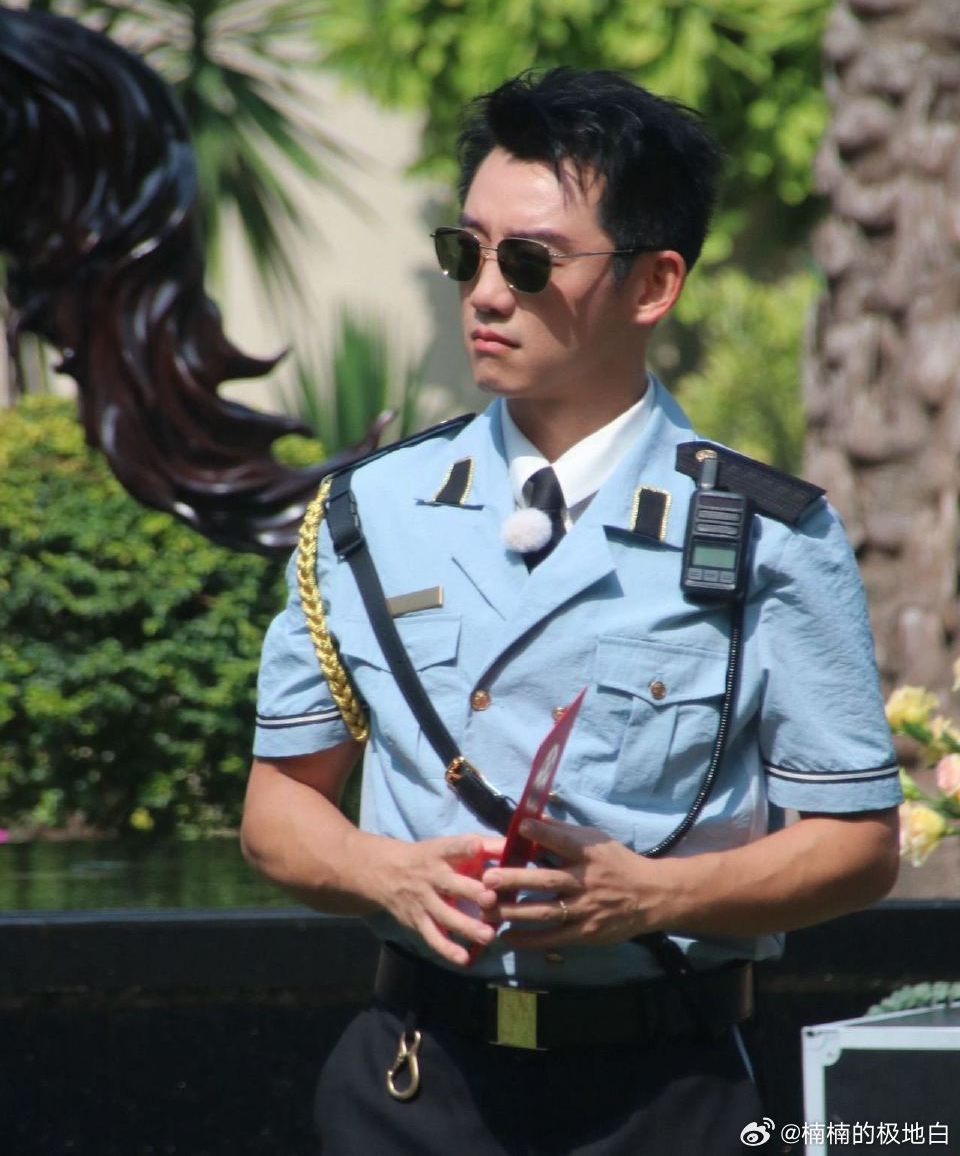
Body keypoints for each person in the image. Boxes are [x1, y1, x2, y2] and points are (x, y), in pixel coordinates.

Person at [241, 68, 901, 1155]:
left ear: (653, 283)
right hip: (413, 1080)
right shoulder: (367, 513)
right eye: (465, 251)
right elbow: (277, 809)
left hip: (662, 1094)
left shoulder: (769, 533)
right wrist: (386, 872)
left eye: (529, 261)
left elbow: (858, 843)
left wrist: (653, 896)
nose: (484, 293)